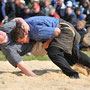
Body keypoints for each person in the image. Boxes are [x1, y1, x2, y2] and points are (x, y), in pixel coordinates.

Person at [10, 16, 90, 79]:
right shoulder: (23, 25)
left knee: (53, 52)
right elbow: (17, 19)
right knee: (72, 54)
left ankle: (73, 75)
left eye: (21, 41)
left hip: (65, 29)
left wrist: (47, 43)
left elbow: (57, 31)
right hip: (64, 26)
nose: (22, 43)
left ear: (25, 34)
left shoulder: (36, 32)